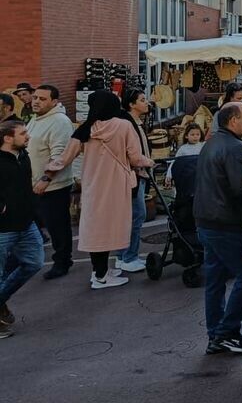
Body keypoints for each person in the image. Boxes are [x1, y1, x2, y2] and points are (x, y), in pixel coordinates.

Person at [44, 90, 154, 290]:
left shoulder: (86, 129)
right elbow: (136, 158)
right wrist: (150, 162)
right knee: (116, 225)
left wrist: (46, 175)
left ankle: (100, 270)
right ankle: (101, 277)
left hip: (93, 185)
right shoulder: (123, 125)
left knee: (96, 228)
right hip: (117, 185)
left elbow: (64, 158)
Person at [195, 102, 242, 354]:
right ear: (233, 121)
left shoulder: (212, 143)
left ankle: (216, 333)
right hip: (226, 222)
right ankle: (226, 331)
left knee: (215, 279)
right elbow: (241, 188)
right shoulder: (234, 147)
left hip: (206, 220)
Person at [0, 121, 44, 338]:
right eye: (23, 133)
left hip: (26, 224)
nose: (28, 136)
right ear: (8, 138)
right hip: (3, 229)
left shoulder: (23, 156)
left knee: (34, 262)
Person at [26, 84, 74, 279]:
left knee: (57, 226)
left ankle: (63, 261)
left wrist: (46, 179)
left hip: (53, 186)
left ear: (54, 102)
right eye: (35, 97)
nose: (36, 101)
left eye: (42, 99)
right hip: (33, 185)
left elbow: (59, 156)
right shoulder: (36, 119)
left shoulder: (59, 122)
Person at [116, 88, 152, 273]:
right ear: (131, 104)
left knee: (131, 216)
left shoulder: (136, 122)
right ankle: (129, 256)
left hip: (138, 173)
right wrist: (148, 162)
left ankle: (123, 256)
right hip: (135, 174)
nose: (147, 102)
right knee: (136, 215)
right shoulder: (127, 123)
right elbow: (132, 154)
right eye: (142, 100)